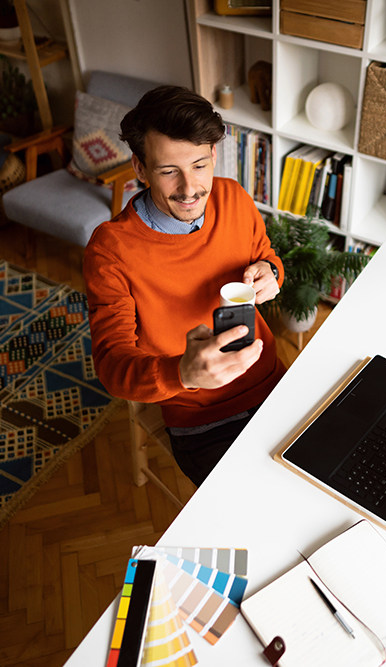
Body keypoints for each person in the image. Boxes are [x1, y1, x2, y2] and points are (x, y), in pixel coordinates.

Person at [83, 85, 285, 487]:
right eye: (168, 171)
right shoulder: (111, 250)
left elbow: (267, 256)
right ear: (140, 169)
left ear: (213, 155)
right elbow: (111, 365)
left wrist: (271, 273)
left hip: (272, 384)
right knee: (253, 519)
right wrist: (182, 373)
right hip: (201, 418)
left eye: (198, 165)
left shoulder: (234, 198)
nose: (190, 188)